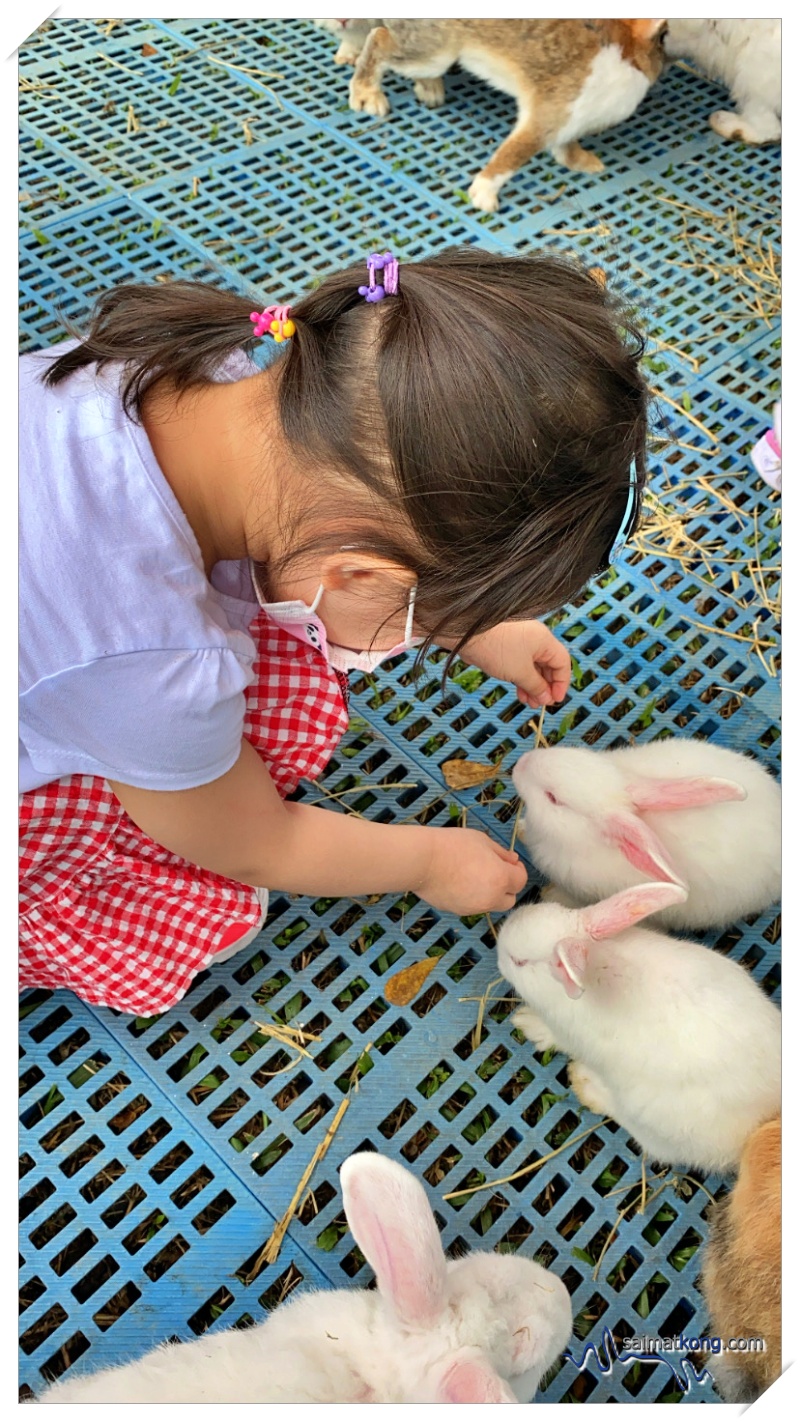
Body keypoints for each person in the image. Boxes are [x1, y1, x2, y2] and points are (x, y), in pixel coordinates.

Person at [19, 246, 648, 1014]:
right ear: (361, 575)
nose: (411, 633)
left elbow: (334, 547)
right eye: (416, 616)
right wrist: (424, 860)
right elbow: (254, 842)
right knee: (186, 821)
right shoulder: (153, 660)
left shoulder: (208, 363)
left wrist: (458, 621)